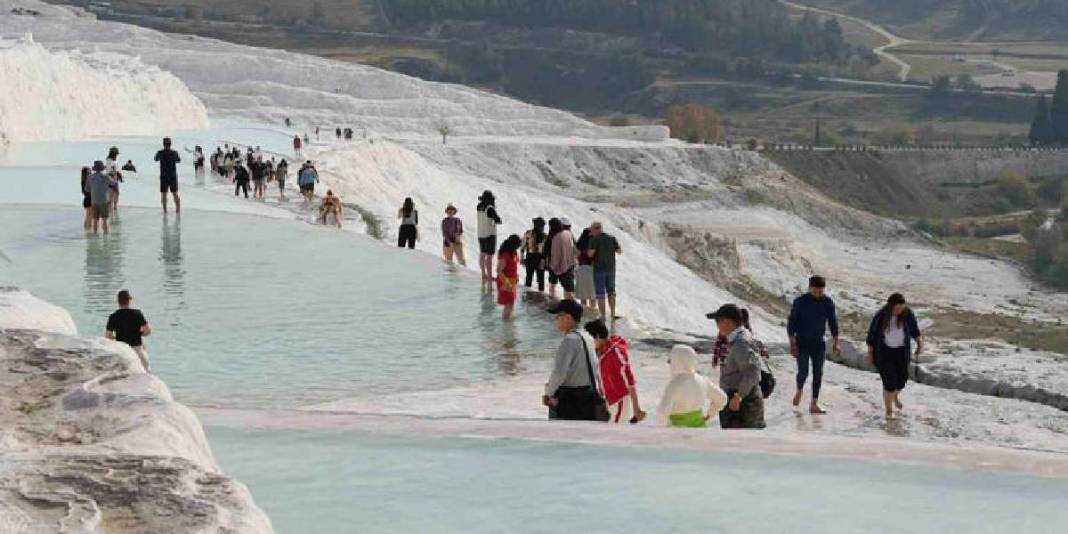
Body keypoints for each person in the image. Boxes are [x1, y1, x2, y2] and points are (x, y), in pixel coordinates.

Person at [542, 299, 605, 421]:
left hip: (570, 402)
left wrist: (548, 393)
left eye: (558, 316)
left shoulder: (569, 340)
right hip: (588, 398)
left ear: (568, 318)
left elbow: (559, 373)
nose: (556, 320)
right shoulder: (588, 337)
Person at [787, 276, 840, 414]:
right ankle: (799, 390)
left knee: (818, 373)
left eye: (820, 292)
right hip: (802, 342)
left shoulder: (828, 302)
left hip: (819, 343)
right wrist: (792, 344)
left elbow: (833, 322)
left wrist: (836, 342)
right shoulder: (800, 302)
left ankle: (814, 403)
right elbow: (791, 322)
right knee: (803, 371)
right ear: (810, 288)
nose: (818, 294)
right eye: (815, 291)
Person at [866, 293, 923, 419]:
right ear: (890, 306)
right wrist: (870, 354)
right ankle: (889, 411)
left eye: (901, 308)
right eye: (897, 308)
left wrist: (919, 343)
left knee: (902, 379)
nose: (899, 311)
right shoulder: (881, 315)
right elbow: (871, 335)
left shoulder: (907, 313)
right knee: (889, 382)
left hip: (902, 351)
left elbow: (914, 330)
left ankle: (894, 395)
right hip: (884, 352)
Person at [709, 304, 766, 429]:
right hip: (740, 401)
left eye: (718, 321)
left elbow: (752, 373)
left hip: (743, 405)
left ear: (729, 323)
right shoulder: (739, 338)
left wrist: (739, 396)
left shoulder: (740, 343)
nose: (717, 325)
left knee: (741, 445)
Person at [585, 320, 645, 424]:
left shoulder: (615, 352)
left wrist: (636, 409)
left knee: (615, 435)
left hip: (620, 401)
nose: (589, 343)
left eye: (590, 339)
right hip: (610, 402)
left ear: (597, 337)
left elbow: (629, 379)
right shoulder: (601, 350)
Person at [656, 344, 727, 427]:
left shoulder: (675, 384)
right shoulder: (702, 380)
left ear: (677, 361)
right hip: (700, 429)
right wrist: (710, 414)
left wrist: (666, 425)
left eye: (671, 361)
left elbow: (662, 411)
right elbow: (722, 398)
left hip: (677, 431)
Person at [107, 290, 152, 373]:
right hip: (137, 349)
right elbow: (148, 331)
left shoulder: (113, 316)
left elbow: (108, 336)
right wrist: (139, 333)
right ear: (130, 299)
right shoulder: (137, 313)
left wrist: (116, 337)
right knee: (146, 373)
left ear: (118, 301)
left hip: (122, 350)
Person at [588, 222, 622, 321]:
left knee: (600, 293)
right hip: (611, 269)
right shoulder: (612, 238)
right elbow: (619, 251)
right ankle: (612, 314)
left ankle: (603, 316)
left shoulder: (594, 240)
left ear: (596, 229)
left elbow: (590, 254)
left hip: (599, 270)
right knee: (611, 292)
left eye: (591, 230)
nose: (591, 233)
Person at [549, 217, 579, 300]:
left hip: (561, 267)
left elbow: (555, 255)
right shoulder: (569, 233)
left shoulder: (555, 237)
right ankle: (569, 305)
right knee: (569, 288)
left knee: (563, 288)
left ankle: (567, 306)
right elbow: (576, 249)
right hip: (571, 264)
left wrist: (554, 268)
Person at [476, 191, 502, 282]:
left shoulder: (479, 207)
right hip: (490, 234)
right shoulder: (490, 208)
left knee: (482, 254)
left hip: (480, 233)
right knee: (489, 256)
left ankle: (483, 274)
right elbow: (498, 220)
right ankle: (490, 277)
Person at [496, 234, 521, 320]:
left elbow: (514, 266)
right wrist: (507, 283)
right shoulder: (505, 255)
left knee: (511, 302)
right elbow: (499, 271)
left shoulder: (514, 252)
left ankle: (509, 324)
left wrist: (516, 276)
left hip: (512, 280)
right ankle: (506, 324)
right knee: (508, 303)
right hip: (505, 281)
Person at [154, 137, 182, 214]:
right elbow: (178, 160)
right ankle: (178, 211)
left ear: (163, 144)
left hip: (163, 176)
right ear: (170, 144)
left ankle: (165, 211)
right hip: (173, 175)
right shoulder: (174, 152)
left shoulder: (160, 152)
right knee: (175, 193)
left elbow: (155, 159)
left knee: (164, 194)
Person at [521, 217, 547, 292]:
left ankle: (531, 295)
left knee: (536, 279)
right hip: (534, 258)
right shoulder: (529, 234)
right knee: (534, 278)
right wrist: (522, 259)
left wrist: (522, 259)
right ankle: (530, 295)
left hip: (536, 258)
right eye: (542, 226)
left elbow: (522, 247)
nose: (543, 228)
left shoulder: (544, 236)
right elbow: (522, 247)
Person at [87, 161, 111, 235]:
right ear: (102, 169)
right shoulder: (106, 177)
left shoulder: (90, 177)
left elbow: (87, 189)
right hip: (104, 200)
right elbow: (113, 183)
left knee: (95, 220)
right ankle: (106, 237)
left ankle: (95, 236)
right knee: (104, 220)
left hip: (94, 201)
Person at [574, 227, 596, 307]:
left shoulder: (578, 245)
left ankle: (584, 312)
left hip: (581, 270)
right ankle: (592, 313)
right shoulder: (593, 246)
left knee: (583, 296)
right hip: (591, 270)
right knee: (592, 296)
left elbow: (576, 256)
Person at [544, 218, 562, 297]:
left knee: (553, 282)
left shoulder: (551, 235)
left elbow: (546, 249)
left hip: (554, 262)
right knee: (565, 284)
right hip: (561, 261)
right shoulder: (563, 234)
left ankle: (552, 297)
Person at [105, 146, 123, 214]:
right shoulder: (109, 161)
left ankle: (114, 208)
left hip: (114, 179)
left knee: (116, 194)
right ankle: (112, 209)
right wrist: (116, 174)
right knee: (112, 195)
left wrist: (118, 175)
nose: (117, 155)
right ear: (114, 154)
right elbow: (109, 171)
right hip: (111, 179)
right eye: (117, 154)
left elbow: (113, 170)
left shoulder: (112, 161)